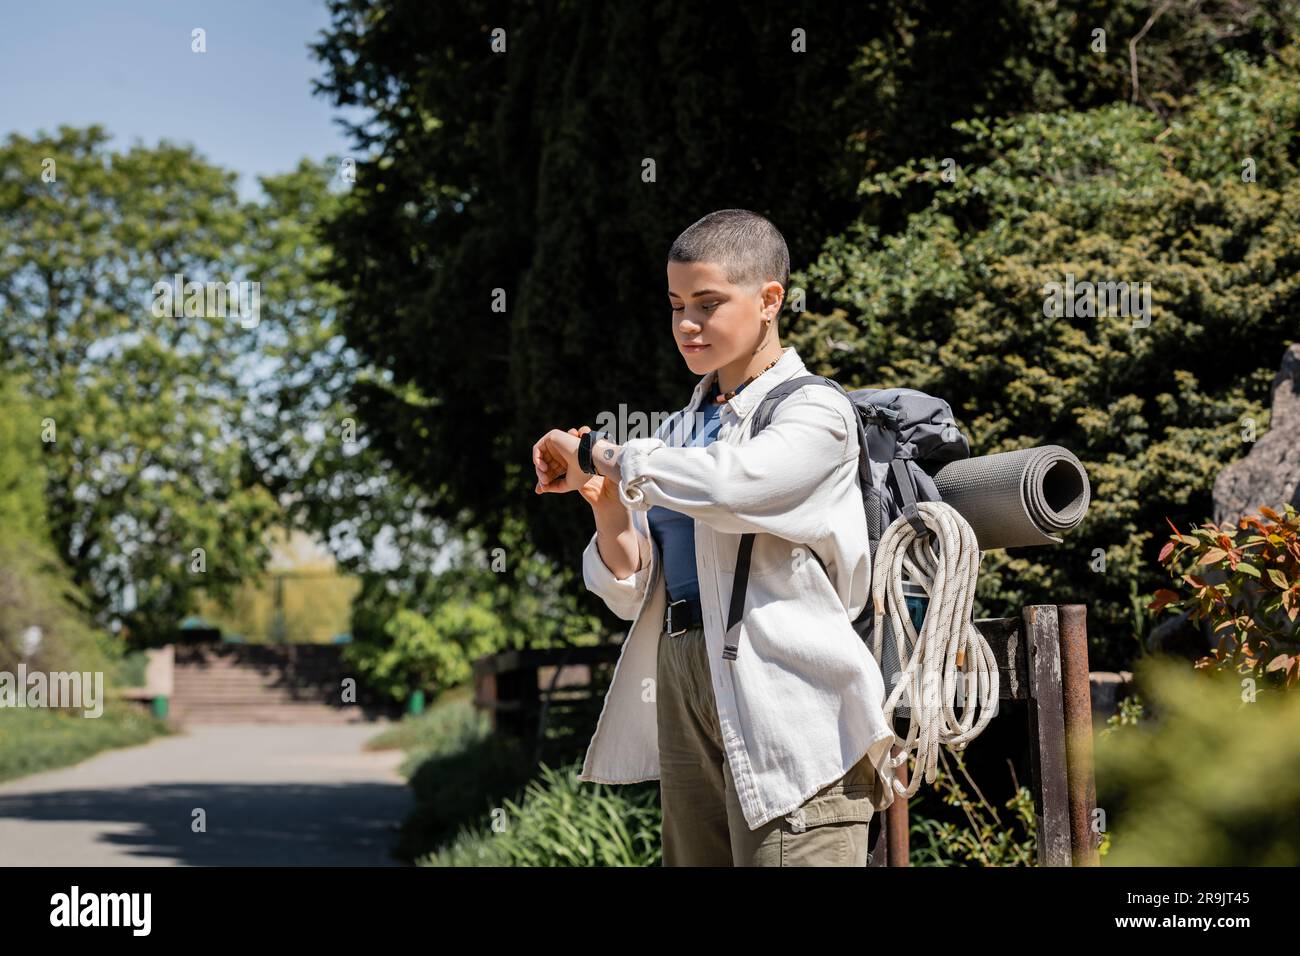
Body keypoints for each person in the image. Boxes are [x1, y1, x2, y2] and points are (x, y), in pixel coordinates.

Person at [531, 209, 897, 866]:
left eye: (707, 304)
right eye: (675, 307)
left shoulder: (816, 410)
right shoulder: (679, 429)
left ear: (768, 299)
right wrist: (608, 508)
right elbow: (632, 586)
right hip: (681, 671)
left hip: (785, 690)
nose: (687, 325)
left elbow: (736, 488)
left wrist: (598, 453)